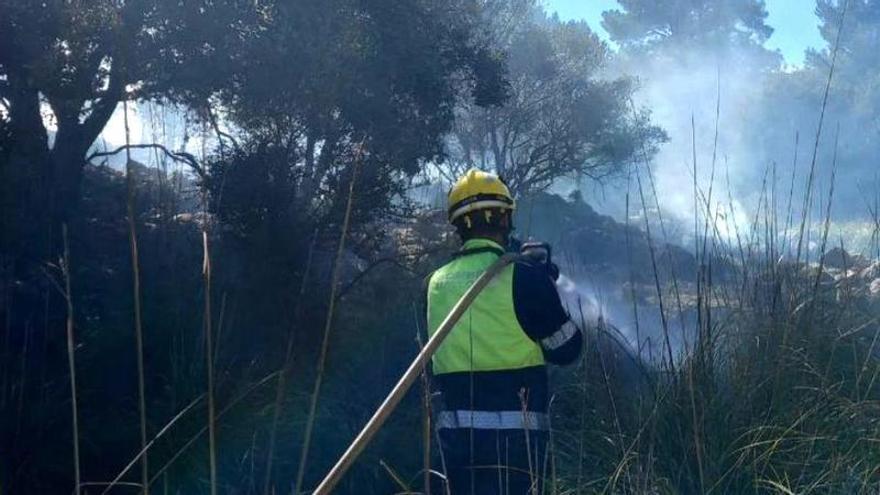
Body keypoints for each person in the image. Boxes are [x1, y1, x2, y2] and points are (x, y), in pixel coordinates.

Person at [425, 169, 583, 494]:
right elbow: (568, 349)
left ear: (457, 225)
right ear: (506, 218)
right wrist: (546, 284)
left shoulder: (434, 284)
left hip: (453, 449)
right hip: (516, 453)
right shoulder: (524, 277)